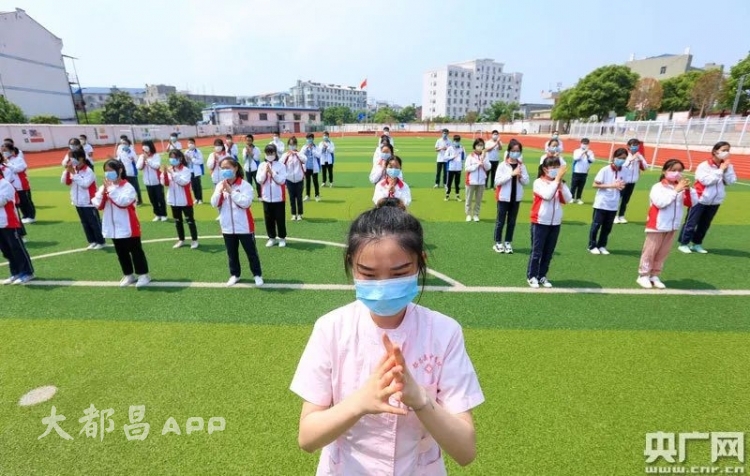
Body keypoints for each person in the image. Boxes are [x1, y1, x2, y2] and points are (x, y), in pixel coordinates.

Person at [289, 200, 484, 474]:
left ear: (420, 263)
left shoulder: (444, 332)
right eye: (368, 274)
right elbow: (308, 438)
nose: (382, 285)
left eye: (399, 273)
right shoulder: (331, 328)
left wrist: (421, 400)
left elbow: (465, 451)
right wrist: (359, 403)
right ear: (352, 266)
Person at [92, 159, 151, 288]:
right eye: (106, 171)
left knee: (135, 251)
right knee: (121, 252)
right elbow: (97, 203)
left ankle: (143, 275)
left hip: (128, 226)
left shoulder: (128, 187)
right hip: (113, 227)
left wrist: (110, 191)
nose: (108, 174)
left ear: (120, 170)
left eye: (111, 170)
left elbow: (123, 202)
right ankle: (128, 274)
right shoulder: (105, 187)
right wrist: (104, 192)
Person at [637, 159, 694, 289]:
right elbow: (660, 203)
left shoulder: (680, 187)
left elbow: (692, 203)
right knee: (650, 251)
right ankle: (643, 275)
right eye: (673, 170)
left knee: (663, 252)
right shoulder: (658, 187)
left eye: (679, 170)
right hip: (657, 225)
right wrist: (676, 191)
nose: (677, 173)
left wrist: (688, 190)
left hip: (672, 225)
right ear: (664, 171)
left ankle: (655, 275)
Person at [210, 157, 263, 287]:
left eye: (228, 168)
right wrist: (220, 192)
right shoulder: (220, 185)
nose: (225, 171)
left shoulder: (245, 186)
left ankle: (257, 274)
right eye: (222, 168)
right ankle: (235, 274)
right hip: (227, 227)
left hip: (244, 226)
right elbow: (214, 203)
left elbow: (245, 203)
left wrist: (231, 192)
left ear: (235, 168)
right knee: (231, 253)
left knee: (251, 253)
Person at [677, 141, 737, 254]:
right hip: (699, 199)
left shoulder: (727, 166)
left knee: (705, 224)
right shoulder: (704, 165)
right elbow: (706, 181)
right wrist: (720, 171)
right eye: (724, 150)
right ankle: (684, 243)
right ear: (715, 151)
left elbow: (730, 181)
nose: (726, 152)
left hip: (715, 201)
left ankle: (697, 243)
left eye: (728, 150)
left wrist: (726, 170)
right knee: (691, 222)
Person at [527, 157, 571, 288]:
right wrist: (556, 181)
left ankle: (542, 275)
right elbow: (546, 195)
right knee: (537, 252)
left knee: (548, 252)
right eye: (553, 167)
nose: (556, 171)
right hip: (540, 221)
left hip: (555, 223)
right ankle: (532, 276)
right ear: (545, 169)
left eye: (558, 167)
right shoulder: (538, 182)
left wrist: (560, 184)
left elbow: (568, 199)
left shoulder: (559, 184)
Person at [61, 148, 105, 250]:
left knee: (94, 223)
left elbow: (85, 184)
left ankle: (101, 241)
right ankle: (92, 241)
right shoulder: (74, 169)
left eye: (73, 158)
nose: (72, 160)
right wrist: (67, 171)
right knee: (85, 223)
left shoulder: (88, 171)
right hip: (78, 202)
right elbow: (65, 182)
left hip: (88, 202)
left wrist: (74, 174)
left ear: (81, 158)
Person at [493, 139, 529, 254]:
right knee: (500, 221)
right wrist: (511, 174)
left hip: (516, 198)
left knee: (512, 222)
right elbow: (497, 181)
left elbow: (526, 181)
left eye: (518, 151)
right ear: (509, 151)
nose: (516, 153)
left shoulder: (521, 166)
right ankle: (498, 242)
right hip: (503, 198)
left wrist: (520, 176)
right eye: (513, 150)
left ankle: (508, 242)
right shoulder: (502, 165)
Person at [588, 149, 627, 255]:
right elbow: (595, 185)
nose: (621, 160)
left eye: (624, 158)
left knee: (607, 227)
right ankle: (592, 245)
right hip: (602, 202)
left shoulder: (625, 170)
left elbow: (623, 184)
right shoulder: (605, 170)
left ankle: (602, 245)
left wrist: (621, 186)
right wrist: (611, 185)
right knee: (596, 225)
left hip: (613, 203)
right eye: (619, 158)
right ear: (614, 158)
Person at [0, 166, 34, 284]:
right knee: (6, 250)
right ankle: (15, 272)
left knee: (16, 248)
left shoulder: (5, 184)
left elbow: (2, 201)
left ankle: (27, 272)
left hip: (9, 222)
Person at [162, 149, 199, 250]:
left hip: (185, 201)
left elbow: (183, 182)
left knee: (190, 221)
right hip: (173, 201)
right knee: (178, 222)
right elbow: (165, 183)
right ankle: (181, 239)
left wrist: (172, 174)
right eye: (171, 158)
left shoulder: (186, 170)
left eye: (175, 158)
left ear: (180, 158)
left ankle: (194, 240)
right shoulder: (170, 169)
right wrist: (165, 174)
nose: (173, 160)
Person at [256, 144, 288, 248]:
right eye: (267, 153)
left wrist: (272, 172)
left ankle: (282, 238)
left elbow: (282, 180)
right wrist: (265, 171)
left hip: (278, 198)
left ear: (275, 153)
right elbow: (259, 180)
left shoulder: (281, 165)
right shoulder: (261, 165)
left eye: (272, 153)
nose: (270, 155)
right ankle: (272, 238)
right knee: (268, 220)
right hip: (266, 198)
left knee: (280, 219)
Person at [615, 138, 648, 224]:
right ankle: (614, 216)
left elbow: (646, 167)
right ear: (628, 146)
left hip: (632, 182)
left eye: (637, 146)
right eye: (633, 146)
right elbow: (622, 166)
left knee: (625, 200)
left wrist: (640, 159)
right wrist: (631, 159)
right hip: (623, 181)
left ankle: (621, 216)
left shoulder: (639, 155)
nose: (635, 147)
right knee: (618, 198)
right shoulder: (625, 155)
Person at [2, 143, 36, 224]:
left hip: (21, 184)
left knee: (25, 201)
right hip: (12, 186)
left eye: (5, 150)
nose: (4, 153)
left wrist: (8, 165)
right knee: (19, 202)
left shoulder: (18, 159)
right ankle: (25, 215)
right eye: (2, 151)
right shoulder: (6, 161)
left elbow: (20, 169)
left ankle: (31, 216)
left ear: (11, 151)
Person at [136, 140, 167, 222]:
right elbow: (138, 167)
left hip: (157, 181)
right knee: (153, 200)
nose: (144, 150)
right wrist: (143, 159)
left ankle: (163, 214)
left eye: (146, 146)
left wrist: (148, 160)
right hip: (148, 182)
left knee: (160, 199)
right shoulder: (141, 156)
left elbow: (156, 166)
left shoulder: (156, 156)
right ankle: (157, 214)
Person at [464, 138, 492, 222]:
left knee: (478, 199)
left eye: (481, 145)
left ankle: (476, 214)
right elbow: (467, 168)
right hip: (471, 181)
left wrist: (483, 161)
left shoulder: (485, 155)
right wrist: (476, 165)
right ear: (475, 146)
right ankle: (468, 214)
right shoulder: (470, 156)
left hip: (481, 181)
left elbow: (488, 167)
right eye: (478, 145)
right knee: (469, 198)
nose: (480, 147)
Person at [281, 136, 306, 221]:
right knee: (291, 198)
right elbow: (281, 164)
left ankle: (299, 214)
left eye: (294, 144)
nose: (292, 146)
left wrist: (297, 153)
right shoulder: (285, 155)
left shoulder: (299, 154)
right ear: (288, 145)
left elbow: (304, 160)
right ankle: (293, 214)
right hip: (289, 180)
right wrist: (287, 155)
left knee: (299, 198)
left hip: (299, 179)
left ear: (296, 145)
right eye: (290, 144)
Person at [117, 137, 143, 205]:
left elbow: (137, 161)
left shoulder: (132, 152)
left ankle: (139, 200)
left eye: (125, 143)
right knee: (126, 186)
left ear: (128, 144)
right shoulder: (121, 151)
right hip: (124, 172)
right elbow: (118, 160)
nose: (123, 145)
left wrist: (132, 159)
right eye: (122, 143)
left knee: (135, 187)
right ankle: (130, 200)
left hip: (132, 172)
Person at [570, 138, 595, 204]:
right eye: (584, 143)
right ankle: (571, 197)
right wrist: (582, 152)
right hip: (576, 171)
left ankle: (578, 198)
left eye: (586, 144)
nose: (585, 145)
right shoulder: (577, 151)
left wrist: (587, 154)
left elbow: (592, 160)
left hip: (584, 172)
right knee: (574, 185)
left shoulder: (590, 152)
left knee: (581, 186)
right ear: (581, 143)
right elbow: (576, 158)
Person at [301, 133, 321, 202]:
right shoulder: (304, 147)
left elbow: (319, 155)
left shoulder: (316, 147)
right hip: (307, 167)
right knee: (307, 182)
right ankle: (307, 196)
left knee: (315, 182)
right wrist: (306, 149)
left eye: (310, 138)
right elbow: (301, 155)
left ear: (313, 139)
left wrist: (312, 150)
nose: (309, 140)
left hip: (314, 167)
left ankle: (317, 195)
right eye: (307, 138)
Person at [185, 138, 205, 204]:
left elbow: (201, 161)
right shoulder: (186, 152)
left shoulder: (198, 152)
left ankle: (200, 199)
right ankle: (196, 198)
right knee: (193, 186)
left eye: (191, 143)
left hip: (196, 171)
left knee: (198, 185)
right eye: (189, 143)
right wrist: (186, 160)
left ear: (194, 144)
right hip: (190, 171)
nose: (190, 144)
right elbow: (185, 162)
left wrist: (192, 159)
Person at [445, 135, 464, 201]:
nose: (457, 142)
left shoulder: (461, 148)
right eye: (456, 141)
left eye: (458, 141)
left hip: (458, 168)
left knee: (457, 183)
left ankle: (457, 195)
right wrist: (452, 157)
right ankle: (447, 195)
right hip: (451, 168)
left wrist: (463, 154)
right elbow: (445, 157)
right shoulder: (450, 148)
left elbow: (464, 157)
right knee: (449, 182)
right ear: (453, 141)